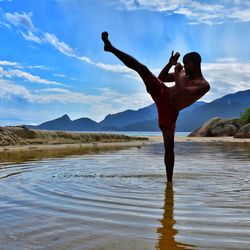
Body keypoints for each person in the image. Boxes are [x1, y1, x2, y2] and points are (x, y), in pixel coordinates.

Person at [101, 31, 210, 182]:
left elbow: (183, 91)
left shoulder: (203, 85)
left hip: (170, 111)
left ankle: (169, 184)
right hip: (162, 93)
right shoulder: (183, 73)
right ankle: (111, 48)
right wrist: (170, 64)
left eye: (187, 64)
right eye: (183, 64)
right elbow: (162, 78)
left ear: (196, 63)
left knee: (169, 146)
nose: (184, 66)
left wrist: (177, 72)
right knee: (142, 69)